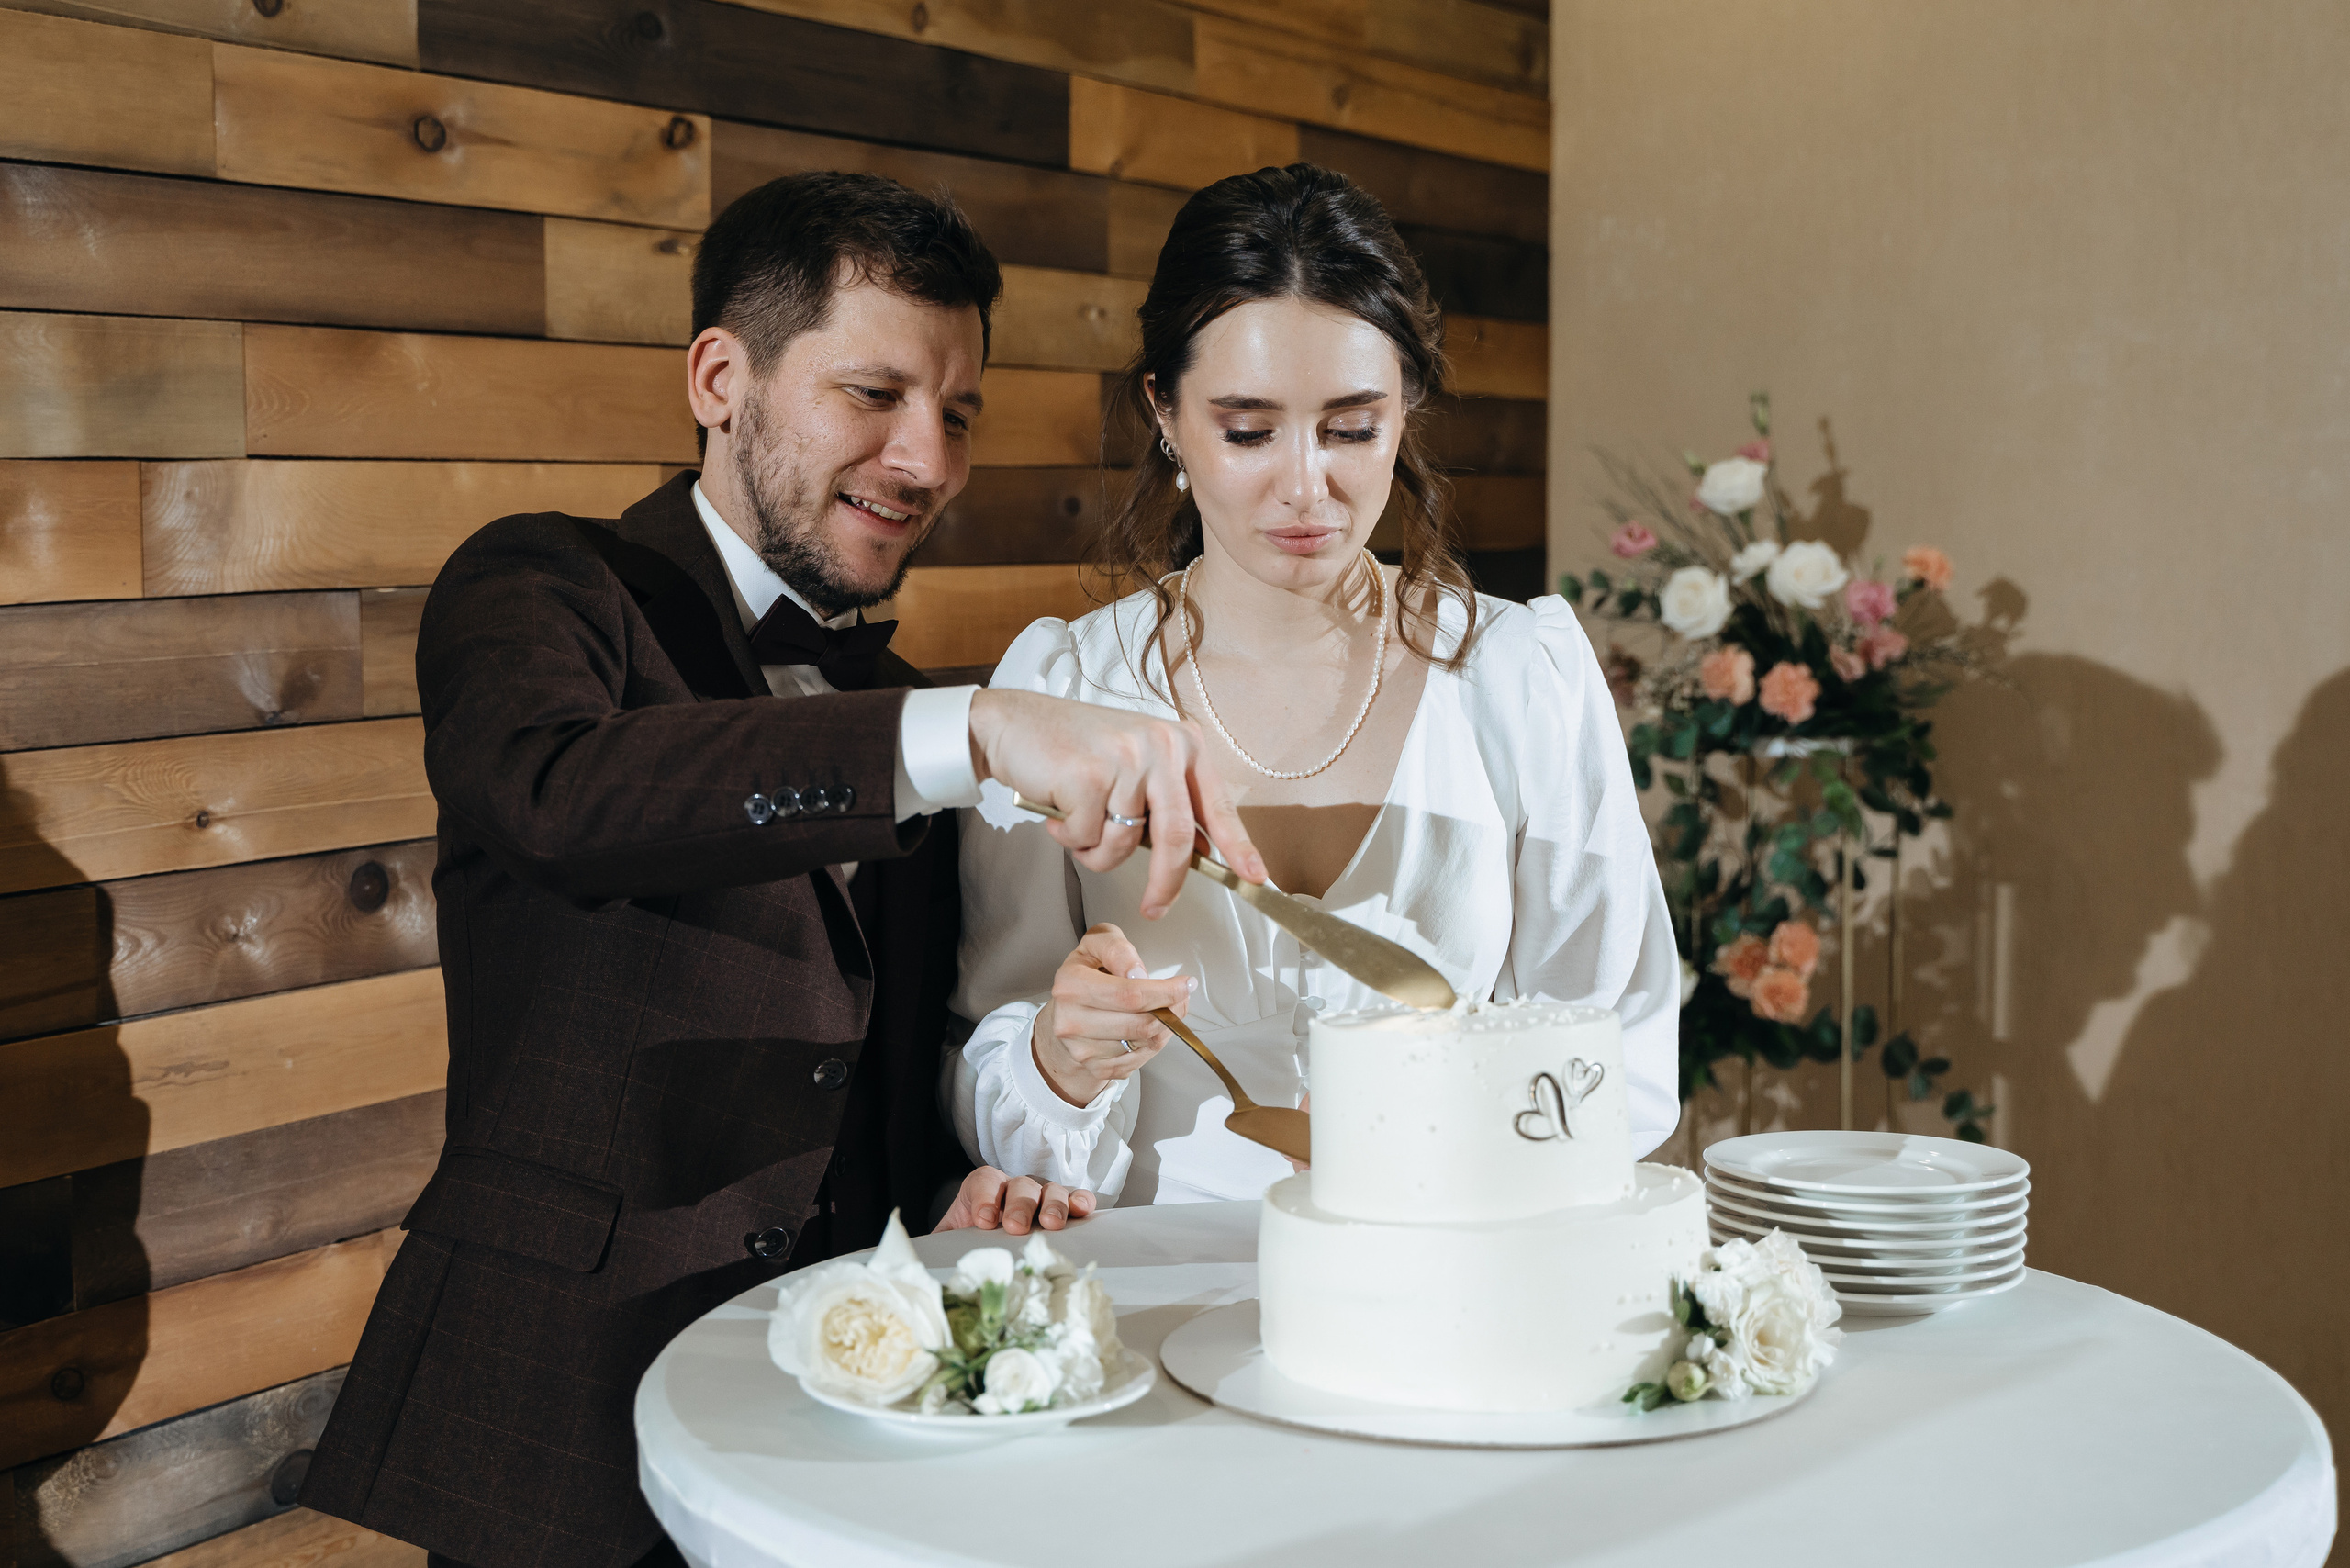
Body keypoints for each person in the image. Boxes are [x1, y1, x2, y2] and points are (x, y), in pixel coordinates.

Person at [299, 173, 1262, 1568]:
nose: (925, 460)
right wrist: (975, 728)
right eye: (873, 395)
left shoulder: (915, 720)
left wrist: (947, 1189)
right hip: (562, 1413)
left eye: (958, 413)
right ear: (718, 377)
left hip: (833, 1408)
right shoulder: (544, 589)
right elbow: (560, 798)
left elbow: (872, 1048)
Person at [950, 163, 1681, 1207]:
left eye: (1351, 428)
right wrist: (1059, 1062)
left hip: (1439, 1289)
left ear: (1406, 408)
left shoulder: (1523, 679)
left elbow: (1615, 1056)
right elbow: (982, 1065)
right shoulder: (1063, 688)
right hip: (1139, 1302)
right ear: (1164, 410)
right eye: (1248, 430)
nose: (1306, 486)